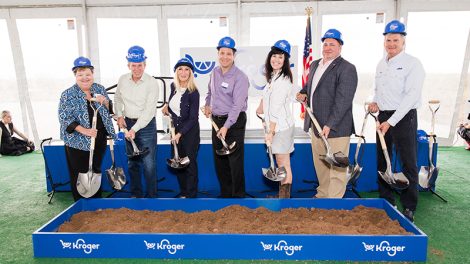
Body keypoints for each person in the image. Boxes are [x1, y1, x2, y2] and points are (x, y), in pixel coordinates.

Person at [368, 20, 425, 222]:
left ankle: (409, 206)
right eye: (388, 40)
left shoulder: (413, 63)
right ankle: (387, 200)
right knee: (383, 161)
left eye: (395, 40)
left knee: (408, 162)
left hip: (403, 117)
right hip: (383, 116)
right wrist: (375, 102)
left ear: (403, 42)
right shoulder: (381, 63)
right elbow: (379, 90)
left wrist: (391, 121)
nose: (391, 43)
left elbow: (411, 97)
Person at [296, 29, 358, 199]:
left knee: (337, 167)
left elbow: (343, 100)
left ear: (340, 47)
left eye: (332, 44)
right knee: (321, 164)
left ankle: (334, 202)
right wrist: (303, 92)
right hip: (315, 125)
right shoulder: (315, 64)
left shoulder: (347, 68)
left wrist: (330, 124)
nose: (328, 47)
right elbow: (310, 86)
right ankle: (322, 196)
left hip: (336, 128)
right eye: (325, 44)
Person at [58, 56, 115, 201]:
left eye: (88, 74)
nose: (85, 78)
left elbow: (109, 111)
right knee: (80, 173)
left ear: (93, 74)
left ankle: (95, 203)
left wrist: (106, 103)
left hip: (99, 138)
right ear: (75, 76)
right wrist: (85, 131)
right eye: (80, 74)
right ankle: (81, 205)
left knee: (95, 170)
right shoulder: (67, 94)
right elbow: (64, 118)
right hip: (77, 141)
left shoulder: (99, 89)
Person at [203, 36, 249, 198]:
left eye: (228, 54)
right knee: (220, 159)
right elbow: (210, 93)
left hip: (234, 122)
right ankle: (226, 194)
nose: (225, 57)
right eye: (222, 53)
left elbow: (237, 106)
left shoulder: (240, 77)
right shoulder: (214, 73)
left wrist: (226, 126)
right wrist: (208, 105)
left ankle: (238, 196)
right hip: (217, 121)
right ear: (218, 54)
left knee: (234, 161)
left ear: (234, 56)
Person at [114, 45, 160, 198]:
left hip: (146, 126)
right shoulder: (122, 80)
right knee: (132, 162)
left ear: (144, 64)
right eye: (133, 65)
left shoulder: (152, 83)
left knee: (149, 164)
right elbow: (118, 99)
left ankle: (152, 196)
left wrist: (135, 129)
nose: (137, 68)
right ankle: (136, 195)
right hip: (127, 122)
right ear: (129, 65)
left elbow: (149, 111)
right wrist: (119, 115)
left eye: (140, 65)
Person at [256, 40, 298, 198]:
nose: (276, 60)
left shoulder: (283, 81)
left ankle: (284, 199)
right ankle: (283, 196)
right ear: (269, 57)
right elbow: (269, 98)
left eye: (281, 57)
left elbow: (275, 108)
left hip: (280, 128)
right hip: (275, 126)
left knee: (283, 164)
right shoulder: (274, 77)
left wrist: (271, 132)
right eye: (274, 56)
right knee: (282, 163)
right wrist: (261, 106)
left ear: (285, 61)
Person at [162, 58, 200, 198]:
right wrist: (167, 108)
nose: (183, 72)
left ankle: (191, 194)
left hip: (189, 132)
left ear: (191, 73)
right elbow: (175, 107)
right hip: (175, 131)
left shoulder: (193, 92)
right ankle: (183, 192)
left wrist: (180, 134)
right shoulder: (173, 86)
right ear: (176, 72)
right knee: (178, 162)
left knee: (189, 163)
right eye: (180, 69)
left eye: (186, 69)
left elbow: (193, 118)